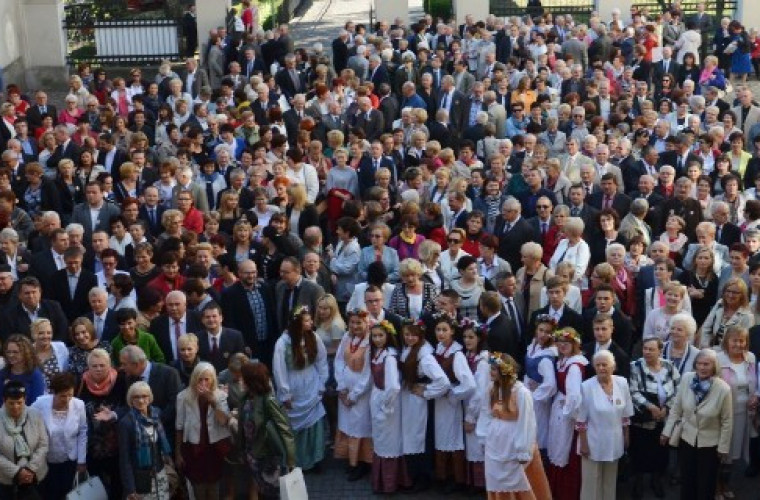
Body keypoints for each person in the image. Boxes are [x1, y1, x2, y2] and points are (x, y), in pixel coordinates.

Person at [478, 352, 551, 500]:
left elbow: (527, 422)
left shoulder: (521, 392)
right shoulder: (491, 389)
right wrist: (484, 436)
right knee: (496, 477)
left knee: (517, 477)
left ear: (503, 371)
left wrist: (523, 450)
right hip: (495, 440)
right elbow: (486, 413)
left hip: (514, 439)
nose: (490, 372)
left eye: (493, 369)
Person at [661, 348, 733, 500]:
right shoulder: (687, 378)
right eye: (699, 363)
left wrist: (723, 447)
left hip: (710, 445)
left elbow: (727, 421)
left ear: (714, 367)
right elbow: (677, 407)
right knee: (687, 481)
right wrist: (666, 432)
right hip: (687, 440)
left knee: (706, 485)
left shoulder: (723, 389)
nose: (702, 367)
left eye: (706, 364)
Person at [272, 306, 328, 472]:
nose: (311, 323)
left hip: (311, 381)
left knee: (315, 421)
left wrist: (322, 382)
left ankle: (316, 458)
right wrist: (285, 393)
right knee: (294, 424)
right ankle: (297, 460)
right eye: (307, 321)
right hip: (293, 384)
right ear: (297, 323)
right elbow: (279, 369)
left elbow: (321, 360)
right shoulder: (283, 343)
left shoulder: (313, 337)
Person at [399, 321, 450, 493]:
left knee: (419, 438)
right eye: (406, 334)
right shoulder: (408, 349)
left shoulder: (425, 356)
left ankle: (423, 477)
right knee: (411, 437)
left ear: (420, 336)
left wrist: (426, 391)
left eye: (413, 334)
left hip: (417, 403)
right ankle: (413, 475)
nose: (409, 338)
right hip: (408, 399)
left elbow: (443, 382)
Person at [576, 349, 634, 500]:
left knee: (610, 481)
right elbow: (581, 419)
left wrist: (626, 435)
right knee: (591, 481)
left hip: (615, 440)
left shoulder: (622, 382)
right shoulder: (586, 386)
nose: (601, 368)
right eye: (598, 365)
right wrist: (583, 444)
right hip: (592, 441)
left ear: (613, 367)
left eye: (605, 364)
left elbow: (626, 412)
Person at [628, 338, 681, 499]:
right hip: (643, 418)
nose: (647, 352)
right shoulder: (635, 366)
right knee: (639, 451)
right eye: (645, 349)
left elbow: (679, 388)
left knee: (660, 451)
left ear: (660, 351)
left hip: (664, 418)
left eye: (651, 349)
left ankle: (656, 480)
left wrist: (667, 408)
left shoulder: (669, 365)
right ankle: (638, 482)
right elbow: (633, 391)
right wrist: (650, 407)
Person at [237, 360, 296, 498]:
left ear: (250, 381)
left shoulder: (268, 401)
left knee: (274, 494)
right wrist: (241, 450)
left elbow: (285, 430)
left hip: (269, 457)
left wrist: (290, 460)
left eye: (242, 378)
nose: (240, 380)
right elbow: (242, 429)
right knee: (262, 492)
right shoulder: (244, 399)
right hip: (253, 457)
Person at [431, 313, 476, 493]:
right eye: (438, 330)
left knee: (453, 439)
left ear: (452, 332)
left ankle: (457, 479)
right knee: (442, 438)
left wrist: (452, 395)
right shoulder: (438, 349)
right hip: (439, 403)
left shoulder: (457, 355)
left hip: (451, 405)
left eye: (444, 330)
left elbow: (469, 384)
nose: (441, 333)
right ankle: (443, 476)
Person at [175, 362, 232, 500]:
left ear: (213, 379)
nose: (203, 383)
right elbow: (179, 426)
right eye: (200, 379)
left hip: (215, 447)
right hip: (194, 447)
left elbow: (224, 421)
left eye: (207, 379)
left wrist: (212, 401)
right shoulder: (183, 397)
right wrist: (178, 453)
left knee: (214, 486)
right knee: (198, 487)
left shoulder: (220, 396)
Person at [77, 348, 126, 499]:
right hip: (91, 447)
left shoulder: (121, 380)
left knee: (117, 487)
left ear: (110, 365)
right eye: (94, 366)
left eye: (102, 365)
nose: (98, 369)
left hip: (117, 446)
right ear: (88, 367)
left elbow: (129, 406)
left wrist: (114, 414)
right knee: (95, 490)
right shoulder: (80, 382)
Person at [31, 372, 88, 500]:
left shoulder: (79, 405)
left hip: (69, 460)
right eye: (63, 396)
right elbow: (28, 420)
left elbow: (82, 432)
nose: (67, 399)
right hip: (46, 461)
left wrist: (81, 460)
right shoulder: (40, 404)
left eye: (70, 395)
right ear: (53, 393)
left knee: (67, 494)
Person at [546, 327, 588, 500]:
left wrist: (568, 414)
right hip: (559, 407)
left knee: (564, 448)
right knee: (556, 445)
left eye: (567, 343)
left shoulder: (575, 366)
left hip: (567, 414)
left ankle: (566, 493)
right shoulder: (563, 361)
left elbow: (574, 396)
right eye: (560, 342)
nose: (562, 346)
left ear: (574, 344)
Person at [716, 326, 757, 499]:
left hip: (743, 414)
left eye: (742, 340)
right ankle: (716, 487)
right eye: (734, 340)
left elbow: (756, 382)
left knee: (733, 454)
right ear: (726, 341)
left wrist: (755, 396)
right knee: (721, 452)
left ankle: (725, 485)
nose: (739, 344)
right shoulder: (718, 359)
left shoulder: (751, 358)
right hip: (723, 416)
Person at [368, 319, 407, 494]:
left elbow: (393, 386)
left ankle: (390, 483)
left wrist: (386, 407)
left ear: (388, 336)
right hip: (378, 398)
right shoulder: (377, 352)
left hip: (387, 405)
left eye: (380, 335)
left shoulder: (389, 357)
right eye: (374, 335)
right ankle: (382, 481)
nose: (377, 339)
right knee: (380, 440)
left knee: (388, 442)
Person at [334, 310, 373, 481]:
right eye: (352, 322)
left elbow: (368, 374)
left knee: (360, 426)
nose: (355, 326)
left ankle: (363, 463)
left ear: (367, 324)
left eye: (359, 323)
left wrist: (354, 394)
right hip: (345, 390)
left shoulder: (371, 342)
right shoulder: (346, 338)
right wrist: (342, 387)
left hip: (362, 393)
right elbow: (339, 360)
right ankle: (351, 460)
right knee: (347, 425)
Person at [118, 381, 173, 500]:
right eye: (136, 397)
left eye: (144, 396)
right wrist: (130, 489)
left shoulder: (156, 414)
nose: (141, 400)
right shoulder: (126, 423)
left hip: (160, 474)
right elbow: (125, 459)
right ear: (131, 400)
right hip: (140, 479)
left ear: (150, 397)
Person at [0, 381, 48, 499]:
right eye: (11, 403)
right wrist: (17, 472)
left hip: (35, 476)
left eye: (19, 402)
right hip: (6, 480)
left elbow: (43, 444)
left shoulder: (35, 415)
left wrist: (30, 469)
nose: (15, 407)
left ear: (25, 399)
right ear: (4, 400)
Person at [524, 315, 558, 454]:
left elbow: (550, 384)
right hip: (528, 393)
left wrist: (535, 394)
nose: (543, 334)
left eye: (547, 332)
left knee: (537, 430)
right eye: (541, 330)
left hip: (538, 401)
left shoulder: (546, 358)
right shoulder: (534, 345)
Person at [700, 277, 754, 348]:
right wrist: (706, 346)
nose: (730, 295)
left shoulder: (747, 316)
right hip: (710, 349)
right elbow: (706, 328)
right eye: (728, 291)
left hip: (731, 353)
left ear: (742, 295)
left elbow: (745, 342)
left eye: (735, 292)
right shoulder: (719, 304)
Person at [0, 334, 45, 404]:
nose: (11, 355)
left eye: (15, 352)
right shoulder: (3, 374)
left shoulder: (35, 375)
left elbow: (36, 402)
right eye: (8, 352)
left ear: (25, 353)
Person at [67, 316, 112, 381]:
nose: (81, 337)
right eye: (77, 334)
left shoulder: (105, 347)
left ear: (90, 330)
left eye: (83, 332)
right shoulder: (72, 352)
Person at [30, 317, 69, 391]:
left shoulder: (61, 347)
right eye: (41, 333)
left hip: (59, 393)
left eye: (49, 333)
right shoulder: (28, 351)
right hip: (38, 394)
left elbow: (66, 372)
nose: (46, 336)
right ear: (33, 334)